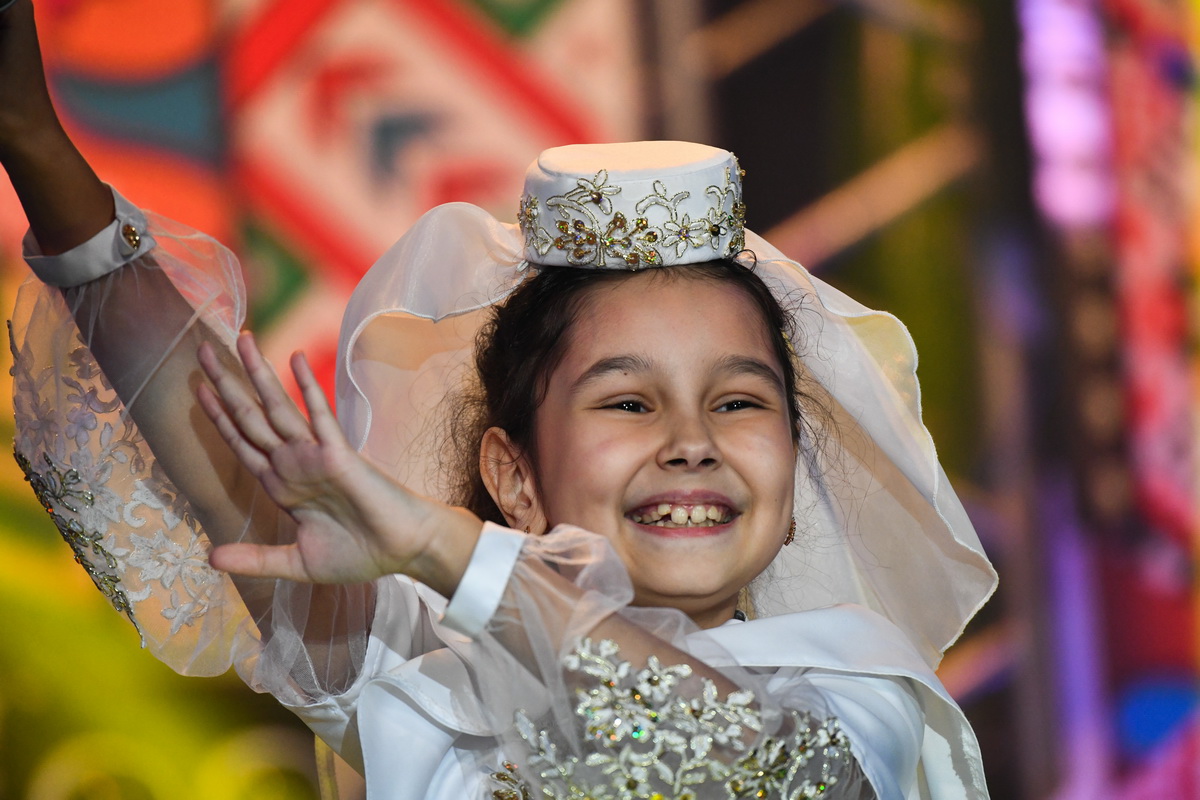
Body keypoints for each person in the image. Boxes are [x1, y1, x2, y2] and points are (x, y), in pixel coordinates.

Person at [3, 2, 997, 797]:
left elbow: (747, 771)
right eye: (628, 403)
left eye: (739, 402)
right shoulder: (437, 691)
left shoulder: (860, 687)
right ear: (514, 477)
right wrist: (33, 140)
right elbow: (221, 440)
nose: (691, 441)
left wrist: (446, 549)